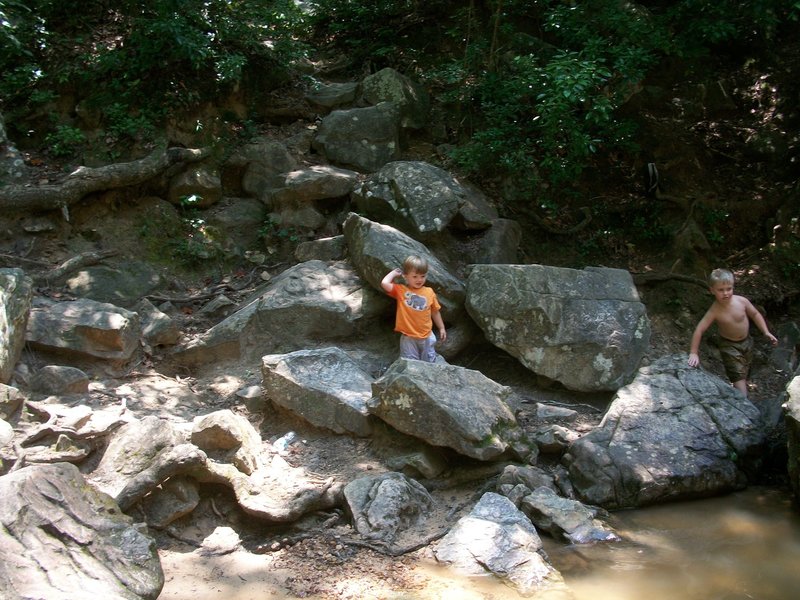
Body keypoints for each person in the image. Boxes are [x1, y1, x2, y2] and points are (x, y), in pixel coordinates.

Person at [687, 268, 778, 396]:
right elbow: (699, 329)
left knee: (745, 370)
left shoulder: (741, 301)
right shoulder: (715, 311)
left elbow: (755, 314)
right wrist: (693, 352)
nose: (725, 293)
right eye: (720, 290)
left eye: (729, 289)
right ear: (712, 290)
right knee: (737, 374)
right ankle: (743, 403)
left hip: (747, 341)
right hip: (729, 346)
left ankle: (740, 393)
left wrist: (765, 331)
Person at [381, 255, 447, 362]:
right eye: (415, 276)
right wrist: (394, 273)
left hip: (426, 336)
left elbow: (435, 312)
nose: (419, 280)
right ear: (405, 276)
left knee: (429, 362)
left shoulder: (429, 292)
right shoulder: (401, 291)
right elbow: (384, 283)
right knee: (411, 363)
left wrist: (441, 328)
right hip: (408, 338)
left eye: (422, 276)